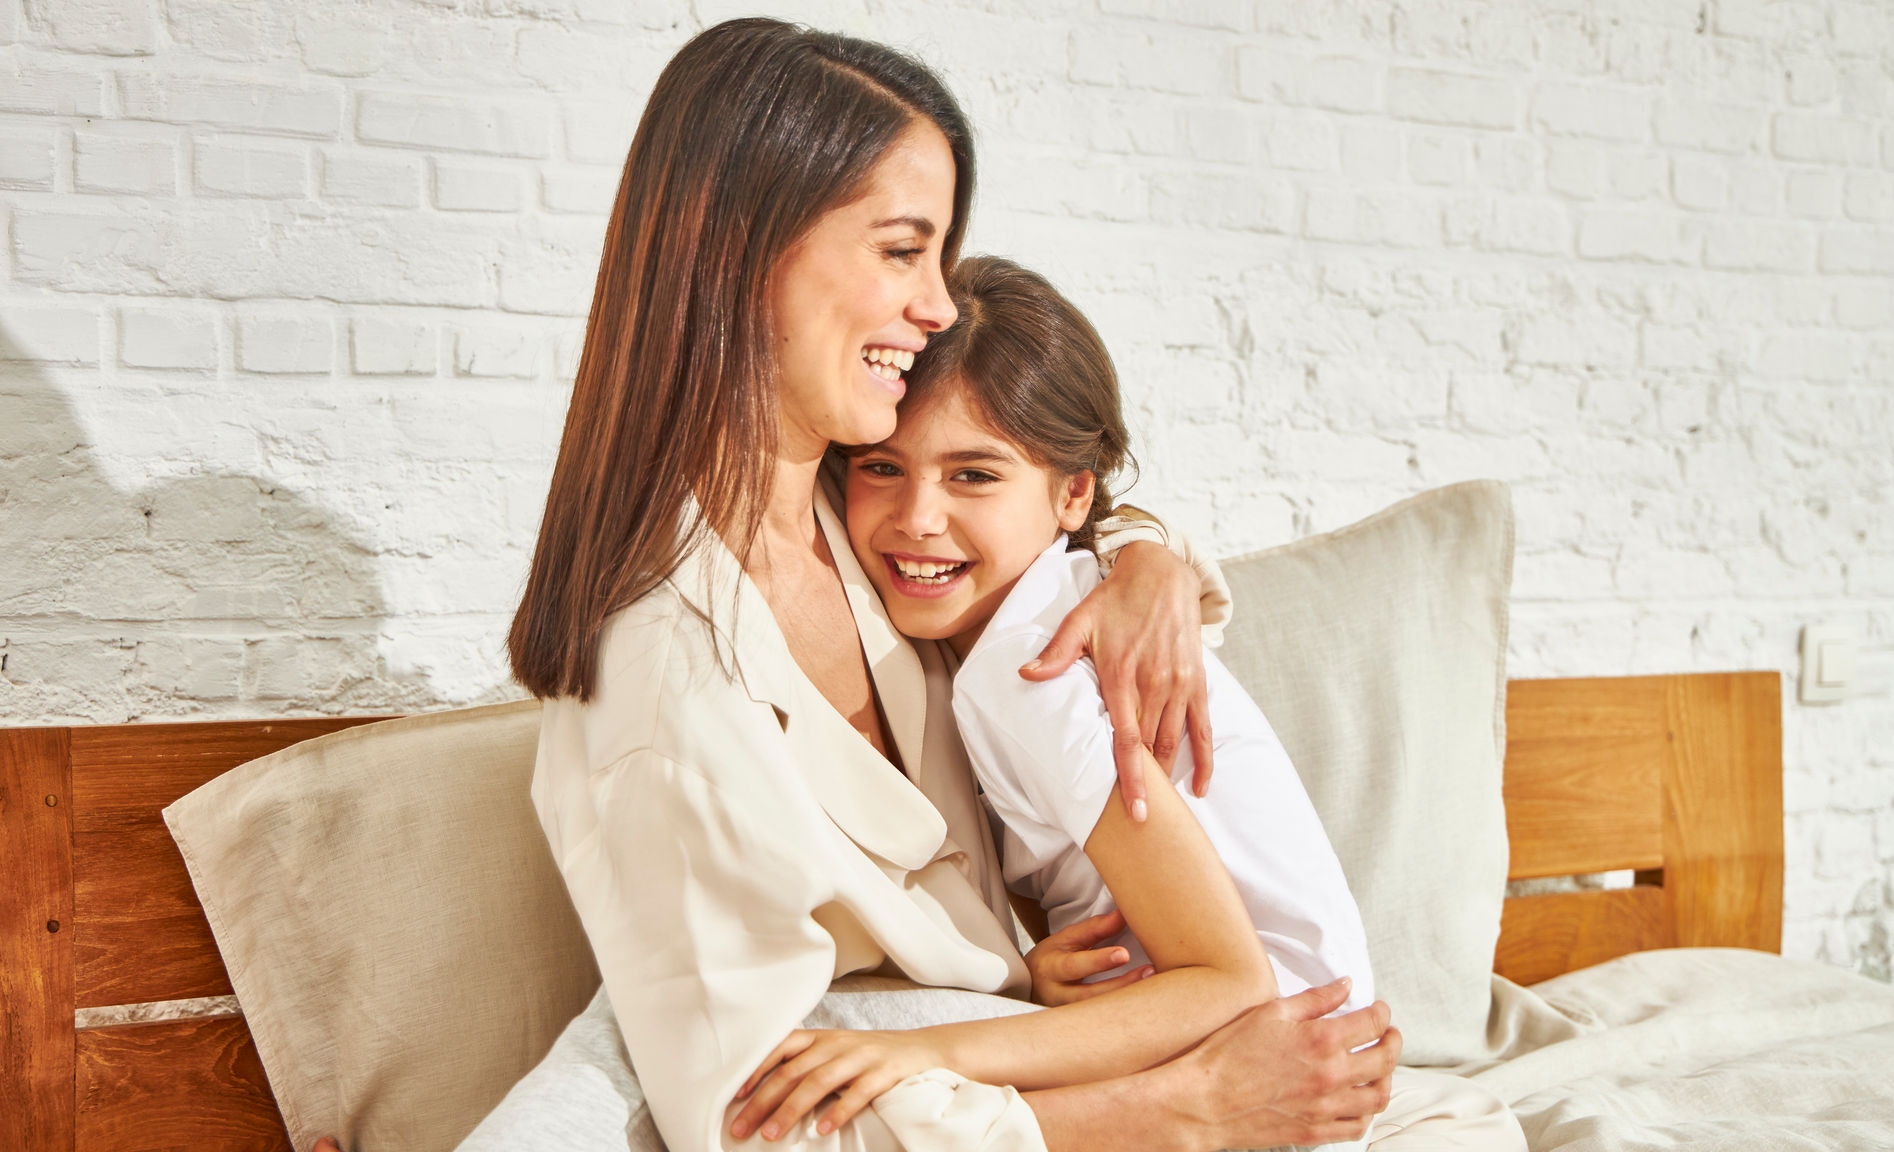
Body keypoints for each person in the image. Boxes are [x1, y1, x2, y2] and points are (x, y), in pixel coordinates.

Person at [316, 17, 1495, 1152]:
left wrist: (1146, 563)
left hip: (1016, 1045)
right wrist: (1180, 1110)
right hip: (1008, 1098)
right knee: (628, 1044)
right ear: (733, 250)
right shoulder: (667, 679)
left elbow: (1038, 497)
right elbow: (751, 1121)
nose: (936, 304)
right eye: (900, 249)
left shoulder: (866, 518)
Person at [724, 256, 1523, 1151]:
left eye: (974, 476)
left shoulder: (1041, 670)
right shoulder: (1025, 625)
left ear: (1072, 494)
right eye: (880, 468)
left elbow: (1229, 978)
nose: (917, 516)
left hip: (1274, 1064)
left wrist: (922, 1052)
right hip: (1208, 1024)